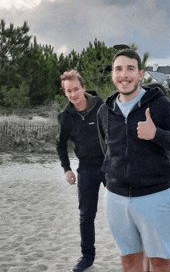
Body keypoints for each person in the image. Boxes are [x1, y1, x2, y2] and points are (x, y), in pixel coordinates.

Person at [97, 49, 170, 272]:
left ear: (140, 74)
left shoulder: (159, 104)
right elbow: (106, 150)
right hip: (115, 199)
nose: (124, 75)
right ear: (113, 75)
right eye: (118, 69)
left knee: (161, 264)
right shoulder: (104, 111)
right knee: (130, 262)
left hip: (155, 197)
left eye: (130, 69)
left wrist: (157, 134)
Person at [56, 70, 106, 272]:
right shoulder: (65, 117)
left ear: (83, 88)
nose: (73, 94)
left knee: (122, 210)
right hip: (85, 169)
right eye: (69, 91)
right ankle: (87, 257)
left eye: (76, 89)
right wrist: (67, 169)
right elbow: (60, 145)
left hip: (109, 166)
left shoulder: (103, 107)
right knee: (86, 215)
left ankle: (131, 253)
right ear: (65, 92)